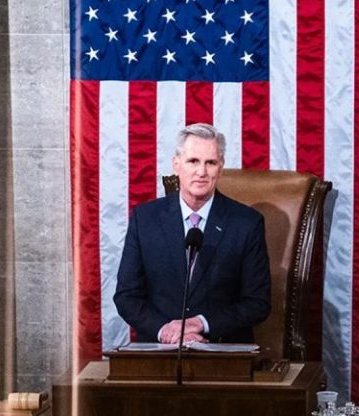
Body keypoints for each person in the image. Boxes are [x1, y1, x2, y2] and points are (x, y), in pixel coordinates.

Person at [114, 123, 271, 344]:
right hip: (160, 350)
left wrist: (201, 323)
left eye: (211, 163)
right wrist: (166, 331)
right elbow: (127, 296)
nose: (201, 172)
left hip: (221, 349)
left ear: (221, 167)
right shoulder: (145, 219)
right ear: (176, 165)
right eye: (193, 161)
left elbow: (258, 302)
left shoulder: (246, 223)